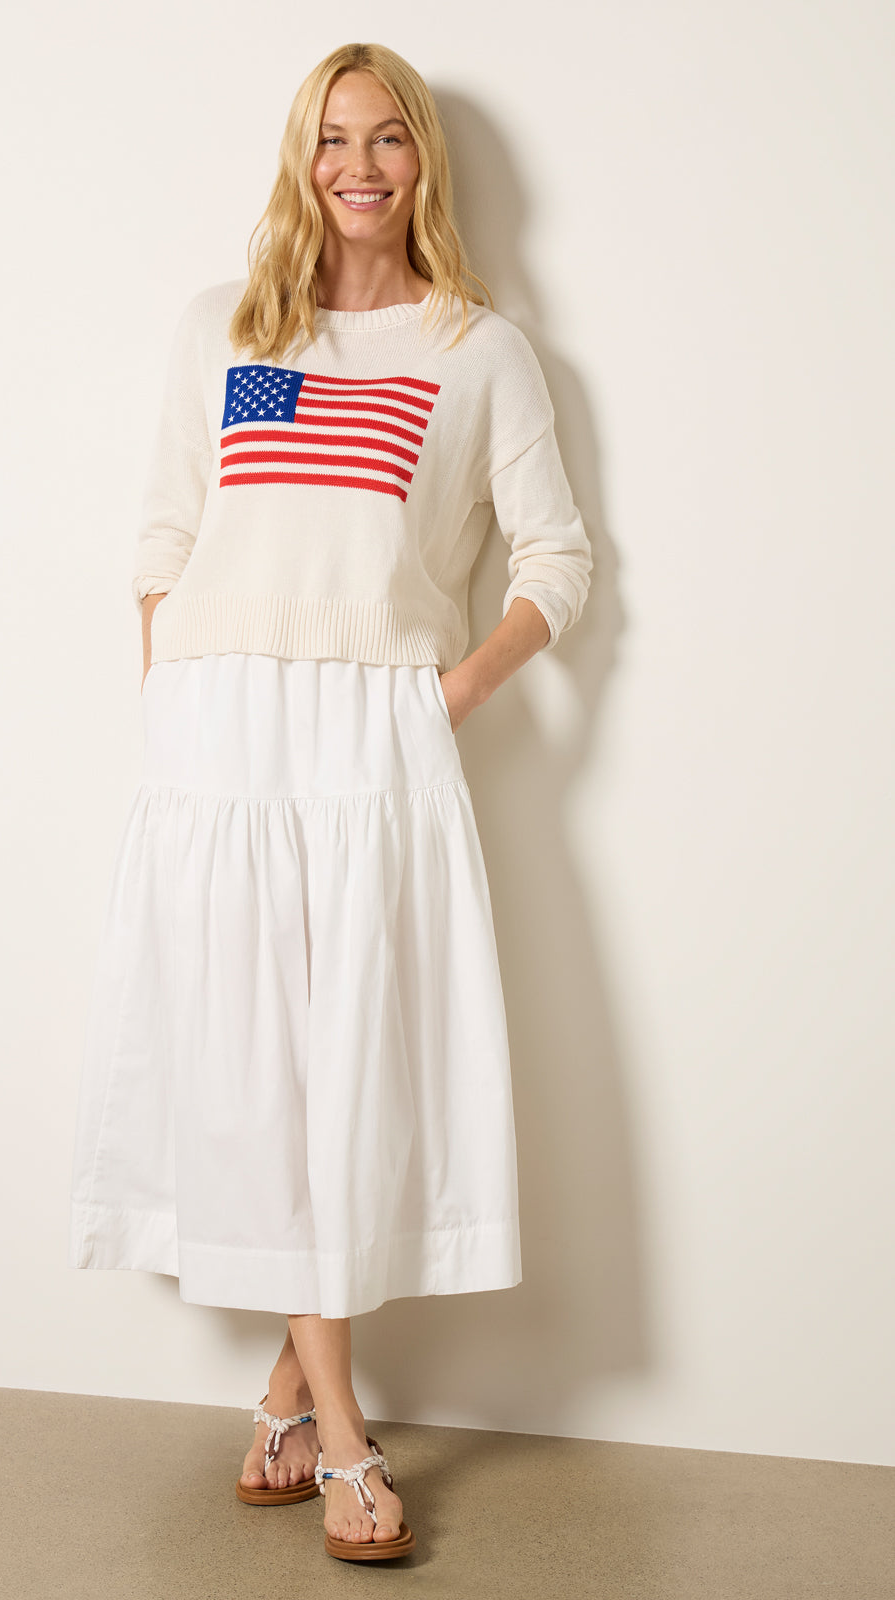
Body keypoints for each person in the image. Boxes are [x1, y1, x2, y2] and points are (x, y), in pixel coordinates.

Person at [68, 41, 592, 1563]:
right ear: (303, 161)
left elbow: (557, 559)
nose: (359, 168)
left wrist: (449, 692)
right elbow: (165, 531)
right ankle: (343, 1435)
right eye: (332, 139)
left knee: (343, 1068)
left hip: (372, 738)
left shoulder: (478, 350)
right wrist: (172, 668)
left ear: (425, 161)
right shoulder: (229, 328)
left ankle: (294, 1404)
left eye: (388, 140)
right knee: (255, 1068)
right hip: (220, 742)